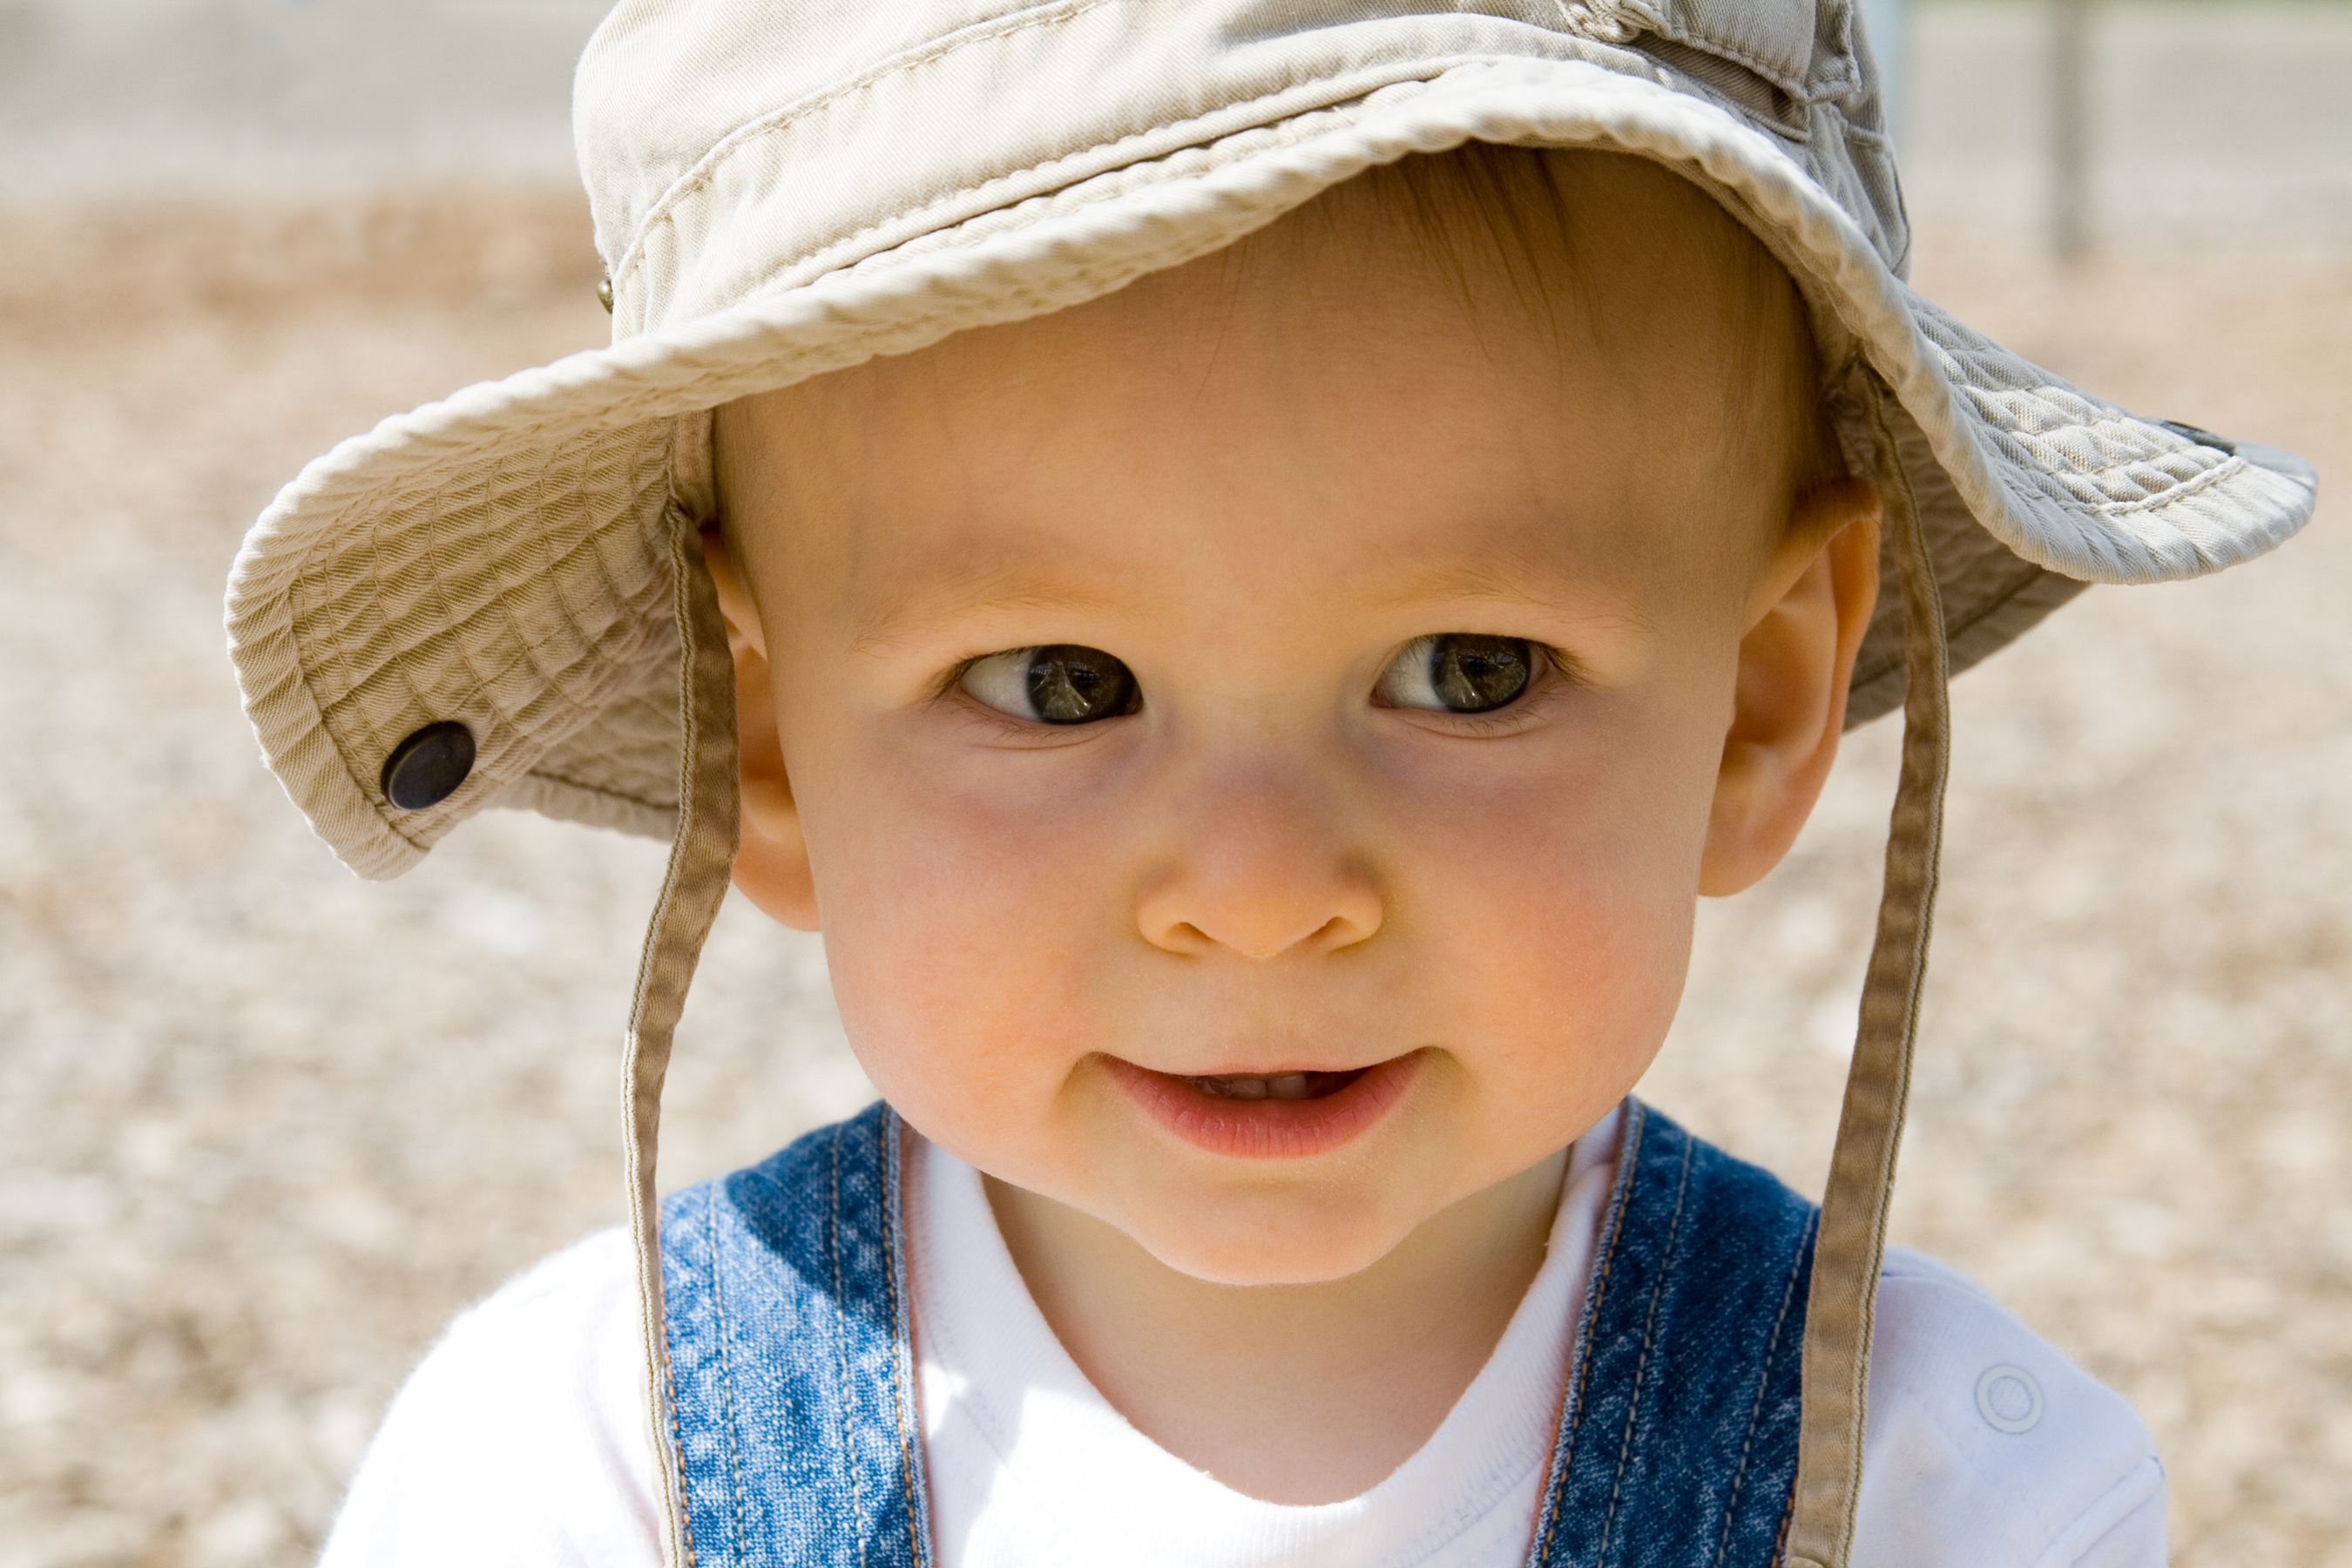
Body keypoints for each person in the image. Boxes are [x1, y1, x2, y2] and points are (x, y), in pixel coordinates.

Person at [223, 4, 2316, 1566]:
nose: (1255, 890)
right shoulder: (585, 1477)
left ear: (1761, 707)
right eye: (1058, 686)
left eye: (1470, 674)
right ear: (756, 747)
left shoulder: (1947, 1494)